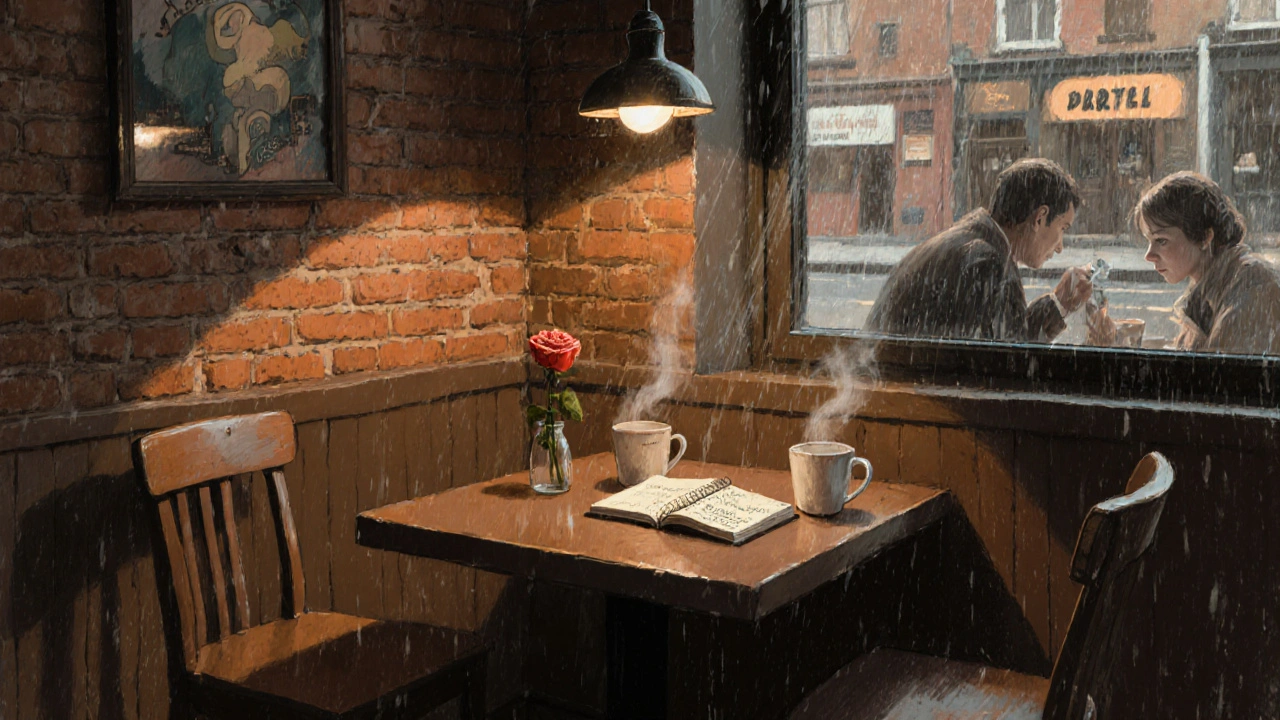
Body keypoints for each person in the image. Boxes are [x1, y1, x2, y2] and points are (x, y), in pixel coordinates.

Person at [865, 158, 1092, 342]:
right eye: (1063, 228)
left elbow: (1005, 342)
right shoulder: (990, 266)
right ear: (1040, 218)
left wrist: (1058, 304)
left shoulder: (968, 242)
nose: (1060, 247)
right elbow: (1013, 366)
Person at [1087, 171, 1280, 354]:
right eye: (1149, 241)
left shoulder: (1252, 287)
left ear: (1204, 237)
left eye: (1161, 241)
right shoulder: (1210, 285)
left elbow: (1216, 372)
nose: (1149, 255)